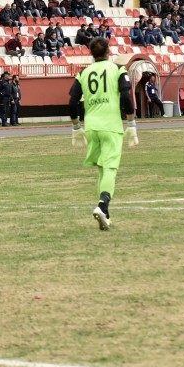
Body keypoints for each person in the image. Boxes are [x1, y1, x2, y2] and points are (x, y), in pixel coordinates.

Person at [68, 37, 136, 231]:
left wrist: (75, 127)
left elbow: (72, 103)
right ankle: (103, 205)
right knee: (110, 169)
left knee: (101, 168)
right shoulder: (117, 70)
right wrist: (131, 122)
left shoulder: (84, 73)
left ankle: (105, 215)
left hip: (91, 127)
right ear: (108, 51)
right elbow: (125, 95)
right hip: (111, 125)